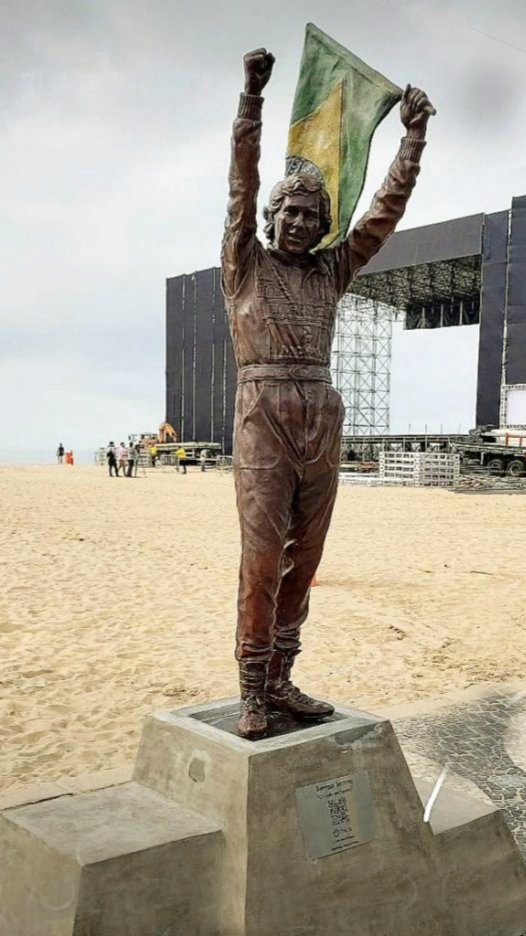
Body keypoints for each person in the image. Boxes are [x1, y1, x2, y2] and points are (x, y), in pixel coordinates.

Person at [221, 49, 434, 738]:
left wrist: (412, 140)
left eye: (315, 217)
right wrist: (252, 100)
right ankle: (252, 687)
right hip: (263, 416)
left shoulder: (330, 272)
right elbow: (240, 183)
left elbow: (383, 215)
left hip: (321, 416)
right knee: (261, 561)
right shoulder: (243, 265)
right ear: (271, 218)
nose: (303, 224)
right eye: (292, 213)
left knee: (304, 559)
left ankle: (283, 679)